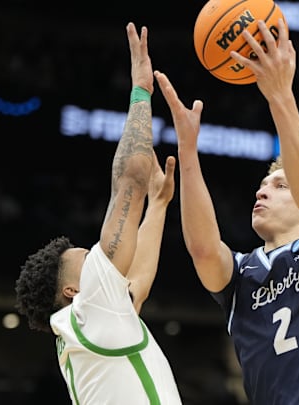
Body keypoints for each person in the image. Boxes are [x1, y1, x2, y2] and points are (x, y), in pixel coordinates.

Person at [154, 18, 299, 405]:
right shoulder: (242, 276)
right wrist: (188, 149)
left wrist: (279, 94)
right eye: (263, 184)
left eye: (280, 185)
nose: (262, 190)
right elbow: (205, 250)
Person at [14, 22, 182, 405]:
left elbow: (135, 287)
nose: (101, 259)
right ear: (73, 291)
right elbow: (130, 179)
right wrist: (142, 91)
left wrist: (158, 204)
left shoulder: (92, 322)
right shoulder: (89, 311)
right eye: (92, 260)